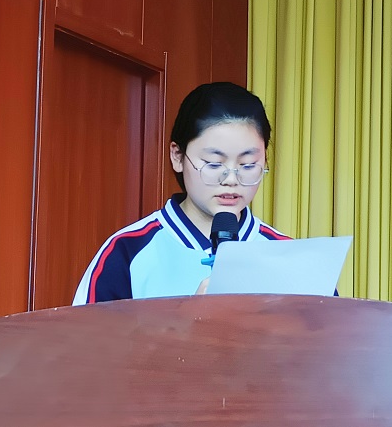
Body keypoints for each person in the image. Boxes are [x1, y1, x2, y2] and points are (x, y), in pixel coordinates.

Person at [72, 81, 289, 304]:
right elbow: (84, 327)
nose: (231, 180)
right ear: (177, 156)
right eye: (214, 163)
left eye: (248, 164)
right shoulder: (126, 252)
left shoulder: (289, 256)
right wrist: (190, 319)